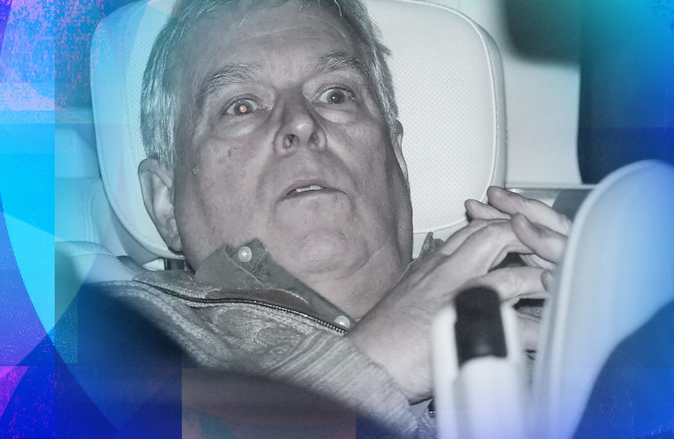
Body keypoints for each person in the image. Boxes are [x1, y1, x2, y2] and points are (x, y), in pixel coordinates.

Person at [89, 0, 570, 435]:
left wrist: (593, 315)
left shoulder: (543, 301)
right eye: (241, 106)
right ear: (166, 202)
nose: (301, 122)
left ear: (397, 159)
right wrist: (367, 370)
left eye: (336, 95)